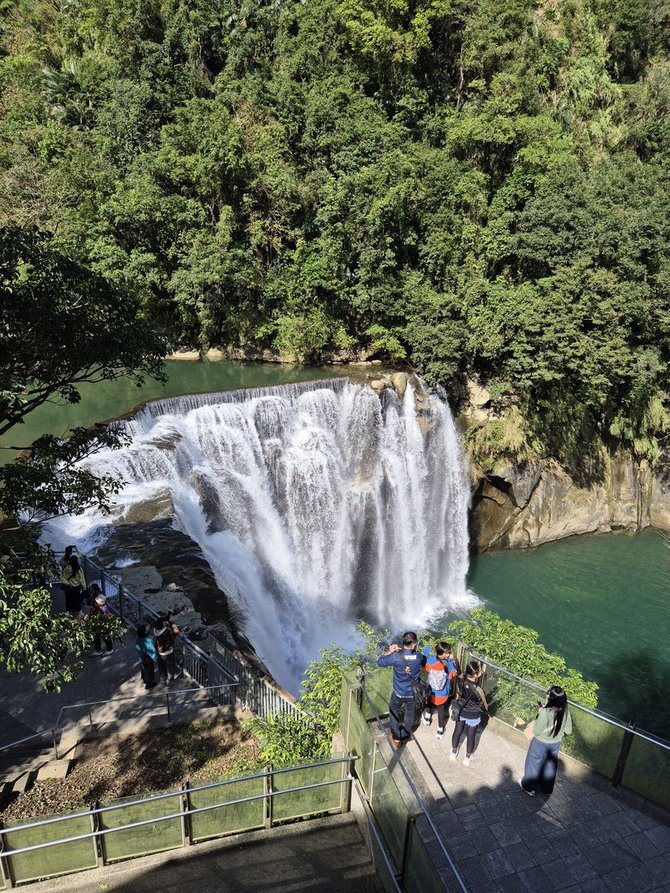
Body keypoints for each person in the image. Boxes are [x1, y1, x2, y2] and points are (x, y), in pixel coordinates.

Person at [519, 686, 572, 796]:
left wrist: (540, 714)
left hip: (539, 743)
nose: (546, 695)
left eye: (548, 694)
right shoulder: (565, 711)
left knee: (533, 764)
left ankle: (529, 787)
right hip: (555, 744)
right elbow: (569, 730)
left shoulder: (545, 712)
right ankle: (547, 789)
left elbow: (537, 731)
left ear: (551, 698)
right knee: (550, 766)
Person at [377, 631, 424, 748]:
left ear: (403, 642)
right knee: (409, 714)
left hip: (399, 692)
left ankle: (397, 738)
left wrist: (390, 651)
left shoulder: (396, 656)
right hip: (413, 693)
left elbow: (380, 662)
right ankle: (405, 736)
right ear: (415, 643)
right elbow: (421, 661)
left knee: (393, 712)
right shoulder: (419, 656)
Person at [450, 660, 488, 766]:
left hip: (461, 711)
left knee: (457, 731)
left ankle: (453, 752)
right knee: (471, 736)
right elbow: (483, 706)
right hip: (473, 715)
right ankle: (467, 757)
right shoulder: (478, 690)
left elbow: (462, 687)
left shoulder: (461, 680)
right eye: (479, 671)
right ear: (475, 674)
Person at [422, 642, 459, 740]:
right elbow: (454, 674)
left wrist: (426, 650)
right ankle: (440, 730)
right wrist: (451, 660)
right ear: (444, 653)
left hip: (432, 690)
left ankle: (427, 718)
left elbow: (424, 664)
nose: (449, 653)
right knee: (441, 710)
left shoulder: (431, 661)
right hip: (442, 693)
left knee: (429, 702)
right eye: (448, 652)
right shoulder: (447, 663)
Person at [87, 585, 114, 654]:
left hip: (101, 620)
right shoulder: (94, 596)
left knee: (104, 634)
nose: (90, 591)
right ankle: (98, 649)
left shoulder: (100, 597)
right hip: (96, 619)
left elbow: (105, 610)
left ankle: (109, 649)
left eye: (92, 590)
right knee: (97, 635)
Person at [154, 615, 180, 685]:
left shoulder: (155, 630)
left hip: (159, 651)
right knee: (170, 667)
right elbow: (176, 632)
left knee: (161, 666)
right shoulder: (166, 632)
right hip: (168, 652)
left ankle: (163, 679)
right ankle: (170, 681)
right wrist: (173, 624)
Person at [136, 623, 158, 690]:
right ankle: (149, 683)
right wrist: (155, 657)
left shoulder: (139, 638)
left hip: (141, 656)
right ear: (145, 632)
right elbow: (152, 650)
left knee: (144, 668)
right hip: (147, 658)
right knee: (149, 670)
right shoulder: (147, 640)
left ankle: (144, 678)